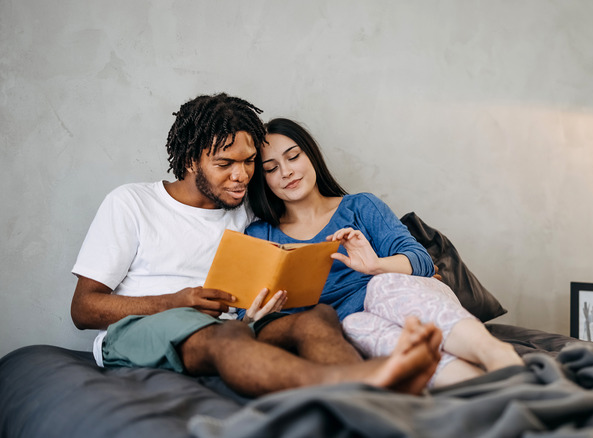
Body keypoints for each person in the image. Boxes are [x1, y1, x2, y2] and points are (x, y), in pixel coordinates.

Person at [70, 93, 441, 397]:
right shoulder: (131, 203)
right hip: (149, 326)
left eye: (249, 162)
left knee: (316, 318)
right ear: (188, 161)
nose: (241, 175)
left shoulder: (246, 211)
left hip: (241, 322)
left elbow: (303, 224)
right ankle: (359, 384)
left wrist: (412, 267)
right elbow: (83, 309)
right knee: (223, 336)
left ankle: (373, 399)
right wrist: (175, 301)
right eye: (225, 164)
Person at [244, 118, 524, 387]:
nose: (286, 172)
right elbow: (247, 309)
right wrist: (253, 317)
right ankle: (482, 386)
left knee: (381, 286)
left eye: (293, 157)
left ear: (311, 156)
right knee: (354, 325)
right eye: (271, 168)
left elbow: (422, 261)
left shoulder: (360, 207)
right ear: (263, 179)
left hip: (404, 296)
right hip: (347, 325)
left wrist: (376, 265)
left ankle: (500, 356)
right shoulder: (260, 235)